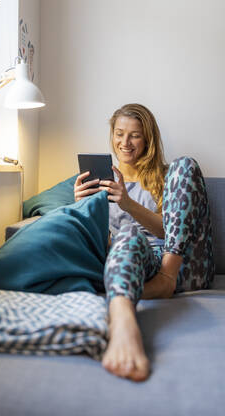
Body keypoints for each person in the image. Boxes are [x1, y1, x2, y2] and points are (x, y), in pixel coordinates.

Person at [74, 103, 214, 382]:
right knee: (126, 234)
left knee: (186, 163)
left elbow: (170, 232)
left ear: (148, 138)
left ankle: (165, 280)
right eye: (119, 133)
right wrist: (83, 208)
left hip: (178, 264)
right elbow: (105, 243)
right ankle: (123, 318)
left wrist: (128, 203)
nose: (125, 143)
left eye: (135, 135)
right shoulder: (103, 182)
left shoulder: (169, 177)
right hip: (136, 267)